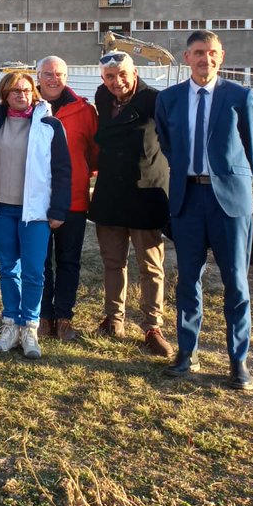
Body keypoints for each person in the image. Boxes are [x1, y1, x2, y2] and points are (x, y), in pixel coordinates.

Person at [154, 30, 253, 391]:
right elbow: (168, 146)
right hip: (187, 200)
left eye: (212, 53)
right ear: (187, 57)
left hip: (229, 203)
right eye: (198, 52)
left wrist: (232, 181)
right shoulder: (168, 100)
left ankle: (238, 360)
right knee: (188, 280)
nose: (206, 59)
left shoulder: (240, 97)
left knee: (236, 282)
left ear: (221, 56)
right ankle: (187, 352)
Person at [0, 71, 70, 359]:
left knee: (33, 270)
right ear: (5, 94)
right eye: (15, 91)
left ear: (34, 93)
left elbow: (62, 170)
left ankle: (30, 326)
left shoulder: (49, 125)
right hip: (1, 208)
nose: (22, 95)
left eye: (27, 90)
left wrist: (58, 209)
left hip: (36, 211)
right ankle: (10, 325)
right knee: (8, 268)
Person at [89, 51, 172, 357]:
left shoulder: (155, 100)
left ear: (134, 72)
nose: (117, 81)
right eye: (110, 76)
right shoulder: (101, 99)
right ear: (103, 79)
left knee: (150, 266)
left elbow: (176, 139)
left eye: (123, 74)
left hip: (146, 192)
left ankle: (152, 326)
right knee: (113, 261)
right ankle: (114, 319)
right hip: (111, 192)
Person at [34, 55, 97, 341]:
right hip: (36, 199)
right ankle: (43, 315)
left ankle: (64, 317)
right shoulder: (27, 106)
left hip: (73, 198)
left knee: (69, 260)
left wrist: (82, 174)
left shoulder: (84, 110)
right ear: (38, 76)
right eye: (47, 73)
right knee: (39, 260)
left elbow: (94, 153)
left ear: (66, 77)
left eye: (58, 74)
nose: (53, 79)